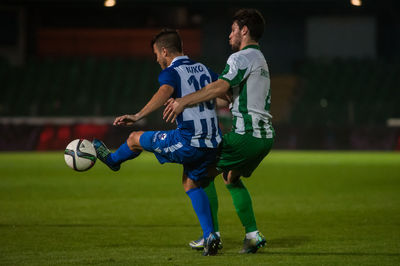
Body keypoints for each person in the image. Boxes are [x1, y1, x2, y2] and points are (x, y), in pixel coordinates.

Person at [92, 29, 221, 256]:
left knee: (134, 138)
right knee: (191, 183)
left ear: (164, 51)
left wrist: (138, 115)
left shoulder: (172, 72)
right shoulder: (204, 69)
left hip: (190, 142)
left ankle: (113, 160)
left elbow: (164, 91)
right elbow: (224, 93)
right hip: (213, 144)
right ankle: (211, 236)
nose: (156, 59)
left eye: (156, 54)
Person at [163, 8, 274, 254]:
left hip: (246, 135)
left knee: (199, 175)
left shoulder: (240, 58)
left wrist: (184, 100)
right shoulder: (260, 59)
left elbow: (221, 86)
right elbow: (228, 98)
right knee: (231, 178)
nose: (229, 35)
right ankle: (253, 235)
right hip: (264, 137)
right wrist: (200, 100)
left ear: (244, 31)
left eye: (233, 30)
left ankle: (210, 235)